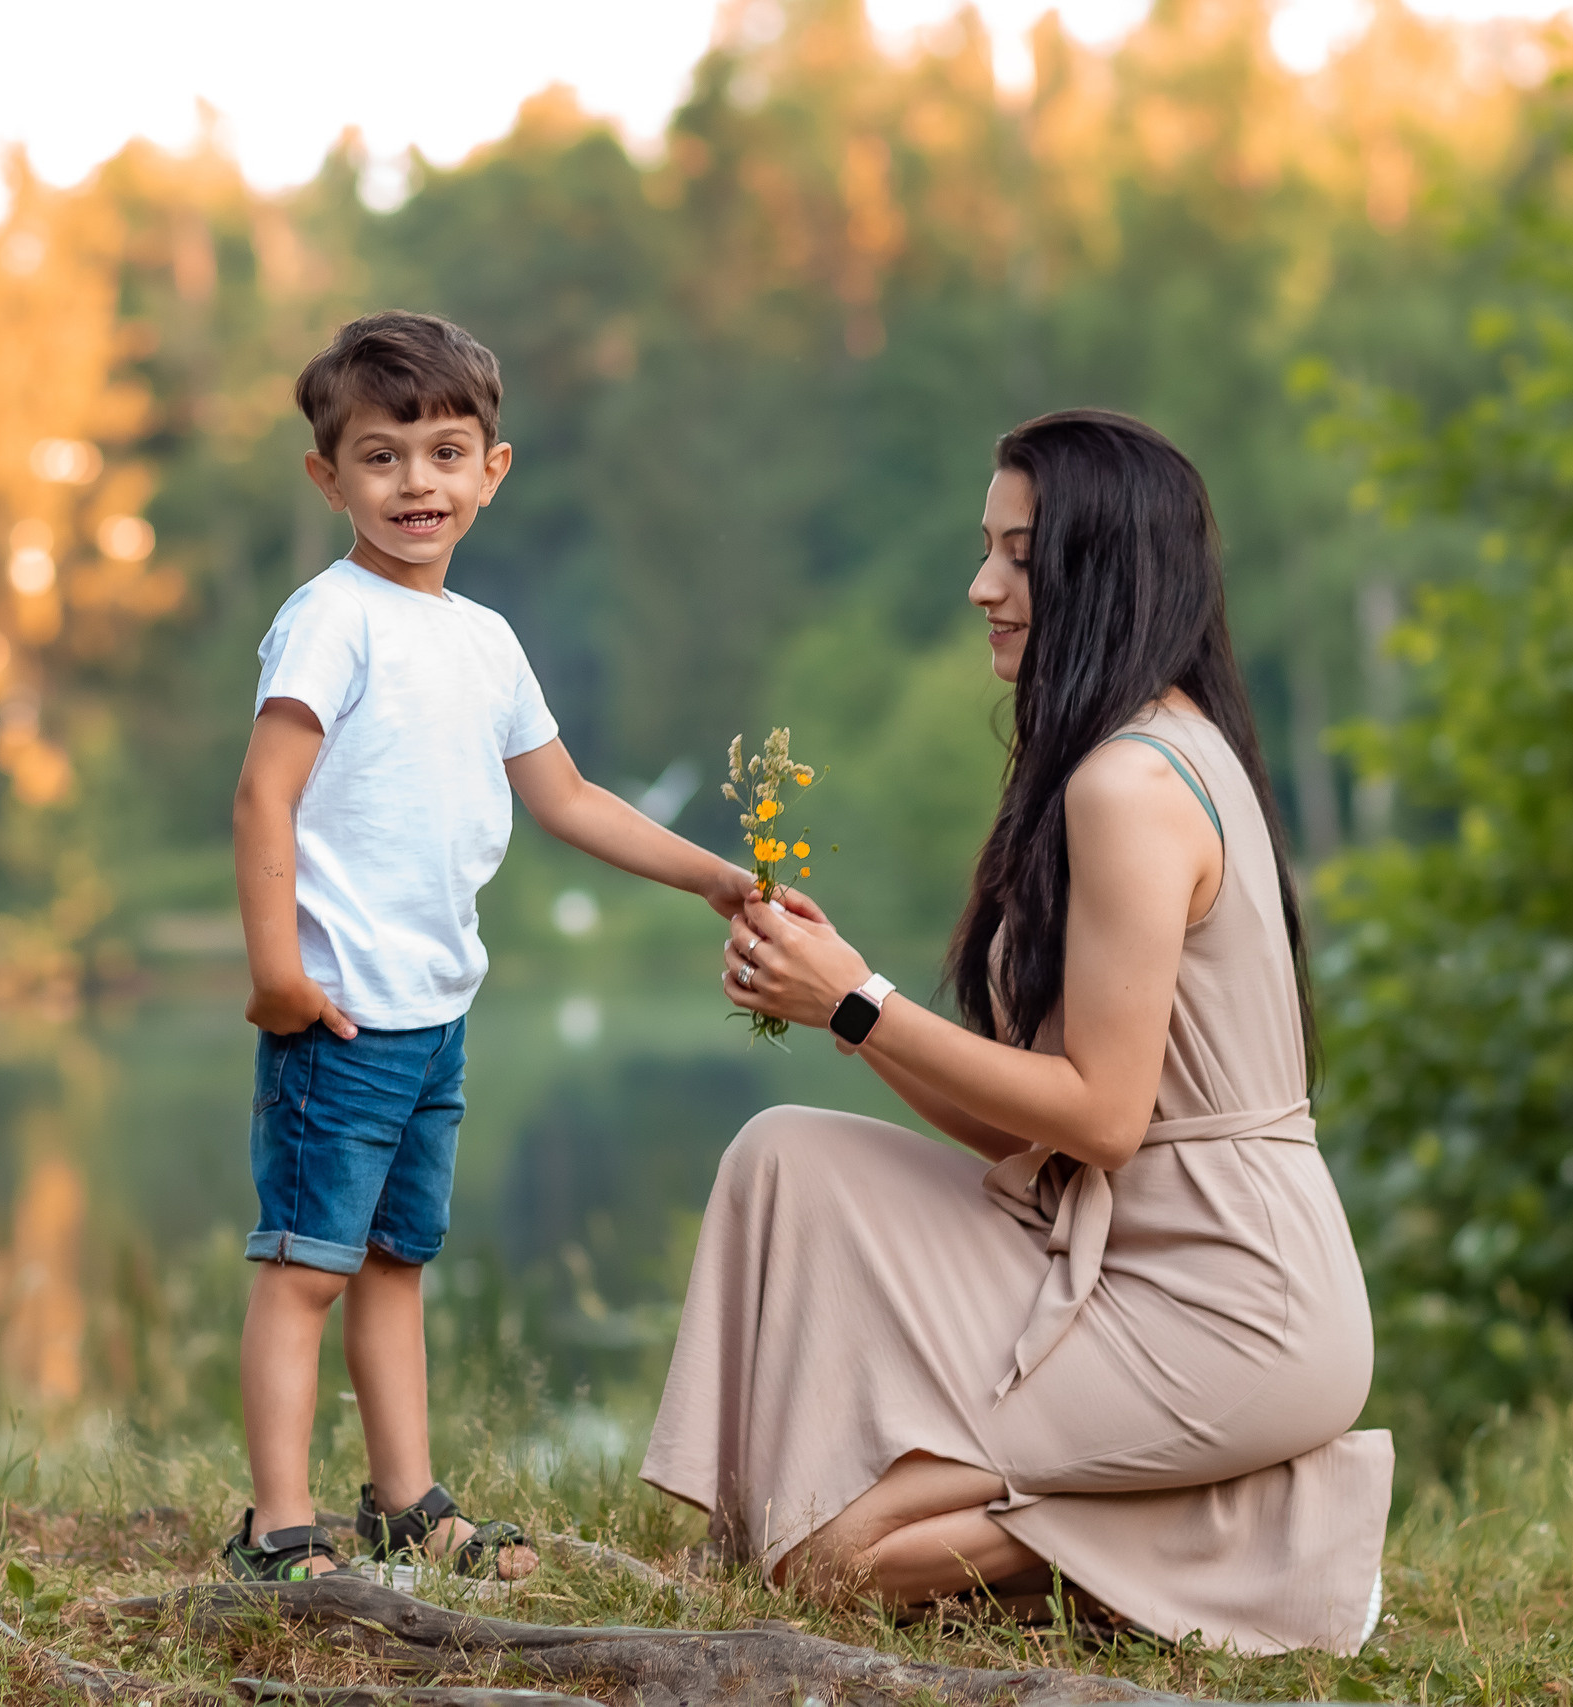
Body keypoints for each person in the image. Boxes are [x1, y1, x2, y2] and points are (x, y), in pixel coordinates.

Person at [645, 409, 1392, 1655]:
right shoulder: (1127, 754)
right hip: (1114, 1254)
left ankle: (1269, 1527)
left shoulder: (1131, 785)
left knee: (831, 1567)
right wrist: (848, 1012)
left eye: (1020, 556)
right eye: (986, 548)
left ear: (1105, 572)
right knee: (783, 1153)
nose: (981, 586)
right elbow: (1028, 1123)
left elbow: (1100, 1115)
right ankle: (1175, 1507)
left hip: (1232, 1303)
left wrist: (857, 998)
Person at [227, 311, 753, 1583]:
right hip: (338, 1012)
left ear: (492, 470)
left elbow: (566, 797)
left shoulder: (485, 640)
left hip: (434, 1014)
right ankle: (276, 1529)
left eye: (446, 453)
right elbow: (262, 796)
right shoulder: (329, 620)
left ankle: (405, 1505)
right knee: (305, 1270)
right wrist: (277, 974)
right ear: (329, 478)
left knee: (395, 1262)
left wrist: (716, 878)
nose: (417, 483)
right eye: (382, 457)